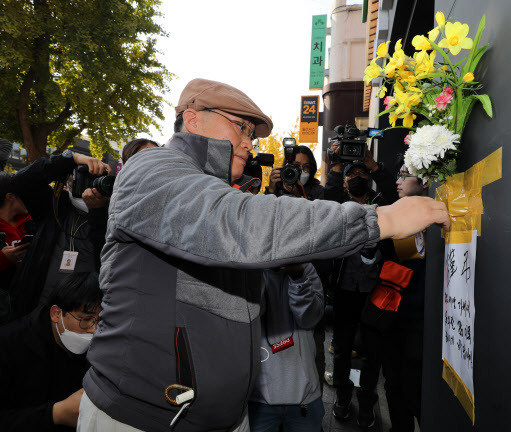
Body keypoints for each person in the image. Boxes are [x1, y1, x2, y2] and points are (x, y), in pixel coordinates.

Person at [80, 78, 450, 432]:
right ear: (192, 118)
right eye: (241, 127)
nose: (248, 143)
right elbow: (237, 223)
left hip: (225, 417)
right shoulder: (152, 168)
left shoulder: (224, 188)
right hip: (143, 419)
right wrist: (379, 218)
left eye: (252, 135)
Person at [324, 160, 394, 427]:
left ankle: (366, 402)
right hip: (344, 290)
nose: (357, 178)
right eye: (351, 174)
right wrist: (337, 168)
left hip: (375, 291)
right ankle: (342, 397)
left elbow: (391, 187)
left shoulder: (382, 203)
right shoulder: (337, 204)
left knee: (373, 351)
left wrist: (375, 166)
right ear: (344, 181)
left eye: (362, 173)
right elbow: (326, 198)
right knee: (341, 349)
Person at [362, 163, 429, 432]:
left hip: (419, 320)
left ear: (425, 182)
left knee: (414, 388)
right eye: (397, 175)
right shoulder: (394, 215)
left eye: (404, 175)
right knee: (393, 383)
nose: (398, 181)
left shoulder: (438, 216)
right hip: (390, 317)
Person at [6, 151, 110, 319]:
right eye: (84, 175)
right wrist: (71, 158)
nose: (89, 185)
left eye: (96, 180)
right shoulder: (54, 205)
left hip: (80, 319)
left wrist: (98, 211)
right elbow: (21, 181)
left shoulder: (112, 216)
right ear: (70, 178)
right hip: (35, 309)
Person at [0, 272, 102, 431]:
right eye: (86, 320)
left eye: (101, 321)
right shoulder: (8, 346)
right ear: (56, 313)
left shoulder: (101, 350)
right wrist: (55, 414)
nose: (94, 330)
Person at [248, 263, 324, 431]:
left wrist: (297, 276)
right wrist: (256, 270)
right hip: (259, 396)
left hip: (304, 395)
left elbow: (310, 318)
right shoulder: (250, 268)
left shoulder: (306, 267)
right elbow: (250, 315)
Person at [0, 172, 30, 294]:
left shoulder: (31, 223)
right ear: (10, 197)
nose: (29, 199)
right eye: (24, 194)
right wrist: (4, 259)